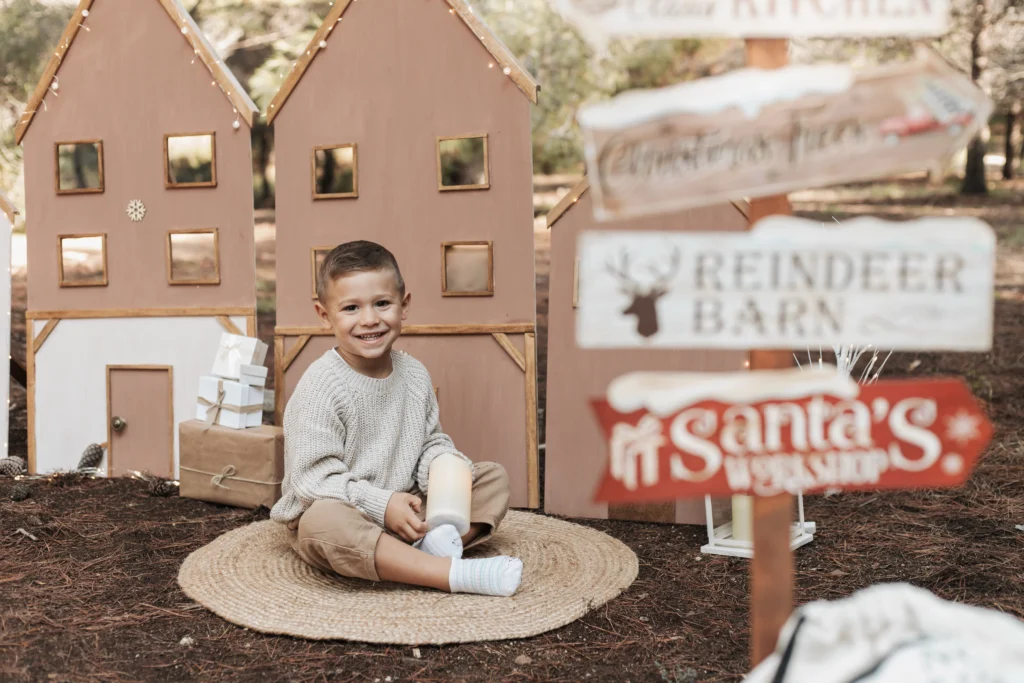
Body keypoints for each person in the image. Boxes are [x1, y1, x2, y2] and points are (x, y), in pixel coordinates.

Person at [270, 240, 522, 597]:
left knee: (490, 478)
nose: (370, 319)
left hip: (406, 505)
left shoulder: (414, 374)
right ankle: (447, 572)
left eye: (382, 303)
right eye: (351, 308)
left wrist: (443, 464)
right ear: (325, 315)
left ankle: (420, 549)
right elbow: (311, 480)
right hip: (344, 509)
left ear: (404, 306)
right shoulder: (320, 386)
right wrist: (380, 504)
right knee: (321, 523)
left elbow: (429, 440)